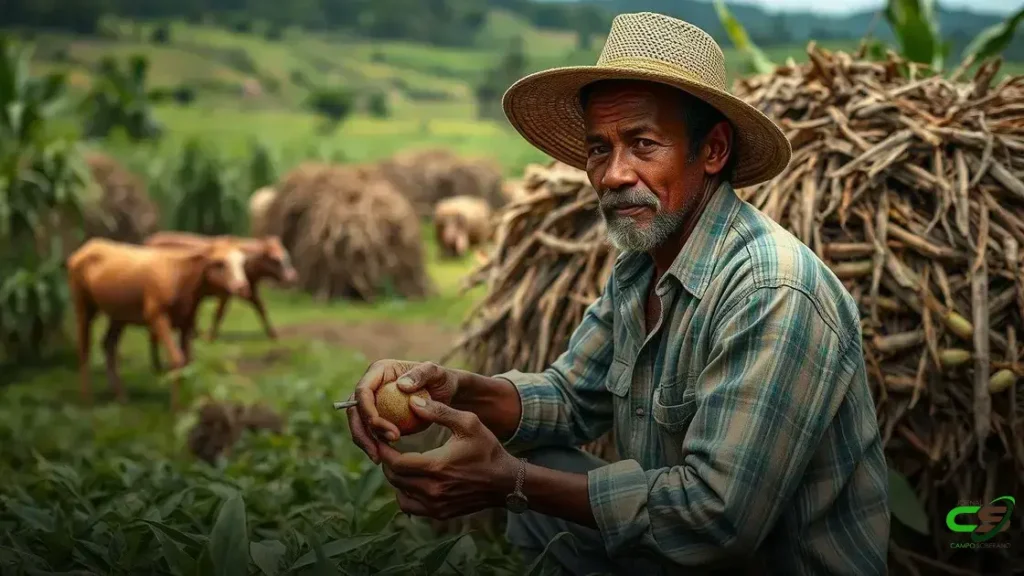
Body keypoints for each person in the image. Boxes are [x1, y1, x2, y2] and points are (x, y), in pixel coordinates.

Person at [344, 11, 890, 575]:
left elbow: (717, 518)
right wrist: (448, 389)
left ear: (713, 151)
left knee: (534, 485)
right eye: (599, 148)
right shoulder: (640, 270)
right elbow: (569, 398)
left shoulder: (771, 290)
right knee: (544, 466)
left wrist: (511, 483)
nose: (612, 175)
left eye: (643, 144)